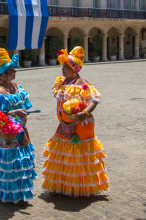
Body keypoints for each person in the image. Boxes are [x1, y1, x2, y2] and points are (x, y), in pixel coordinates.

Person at [42, 46, 109, 197]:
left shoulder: (82, 83)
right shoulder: (62, 82)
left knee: (79, 155)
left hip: (82, 125)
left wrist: (84, 113)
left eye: (66, 67)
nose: (63, 69)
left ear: (75, 70)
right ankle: (63, 184)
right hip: (64, 124)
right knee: (63, 153)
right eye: (63, 66)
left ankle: (79, 187)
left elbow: (94, 99)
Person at [0, 47, 37, 205]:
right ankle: (9, 195)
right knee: (11, 166)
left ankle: (20, 194)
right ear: (4, 74)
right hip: (8, 134)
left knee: (20, 164)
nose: (15, 72)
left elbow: (24, 104)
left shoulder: (15, 87)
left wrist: (22, 113)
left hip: (20, 132)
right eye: (12, 70)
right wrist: (14, 112)